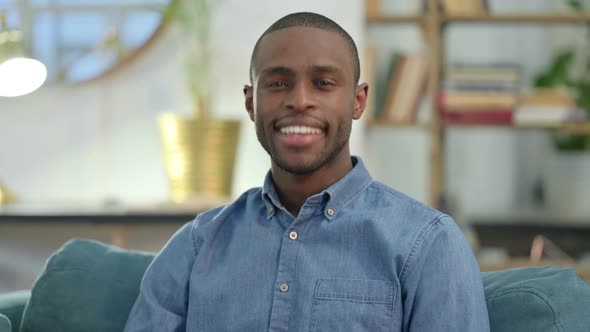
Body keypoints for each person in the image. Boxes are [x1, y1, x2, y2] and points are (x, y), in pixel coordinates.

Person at [124, 12, 490, 332]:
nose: (299, 100)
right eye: (278, 83)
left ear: (358, 101)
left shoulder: (429, 245)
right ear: (251, 103)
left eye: (324, 83)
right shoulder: (195, 246)